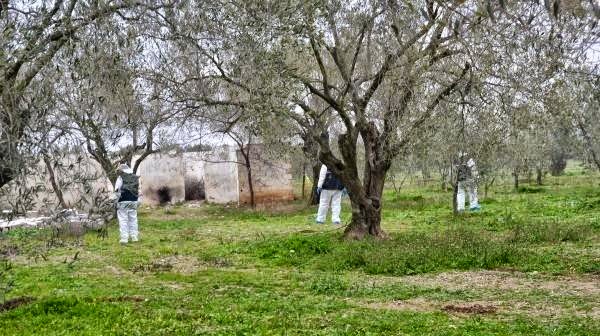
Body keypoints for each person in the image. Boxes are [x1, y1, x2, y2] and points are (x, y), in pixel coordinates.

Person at [114, 163, 140, 244]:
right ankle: (134, 237)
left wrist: (116, 201)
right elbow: (138, 189)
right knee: (133, 219)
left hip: (123, 201)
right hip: (134, 200)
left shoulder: (120, 177)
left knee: (123, 220)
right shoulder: (135, 177)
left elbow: (117, 190)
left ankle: (124, 238)